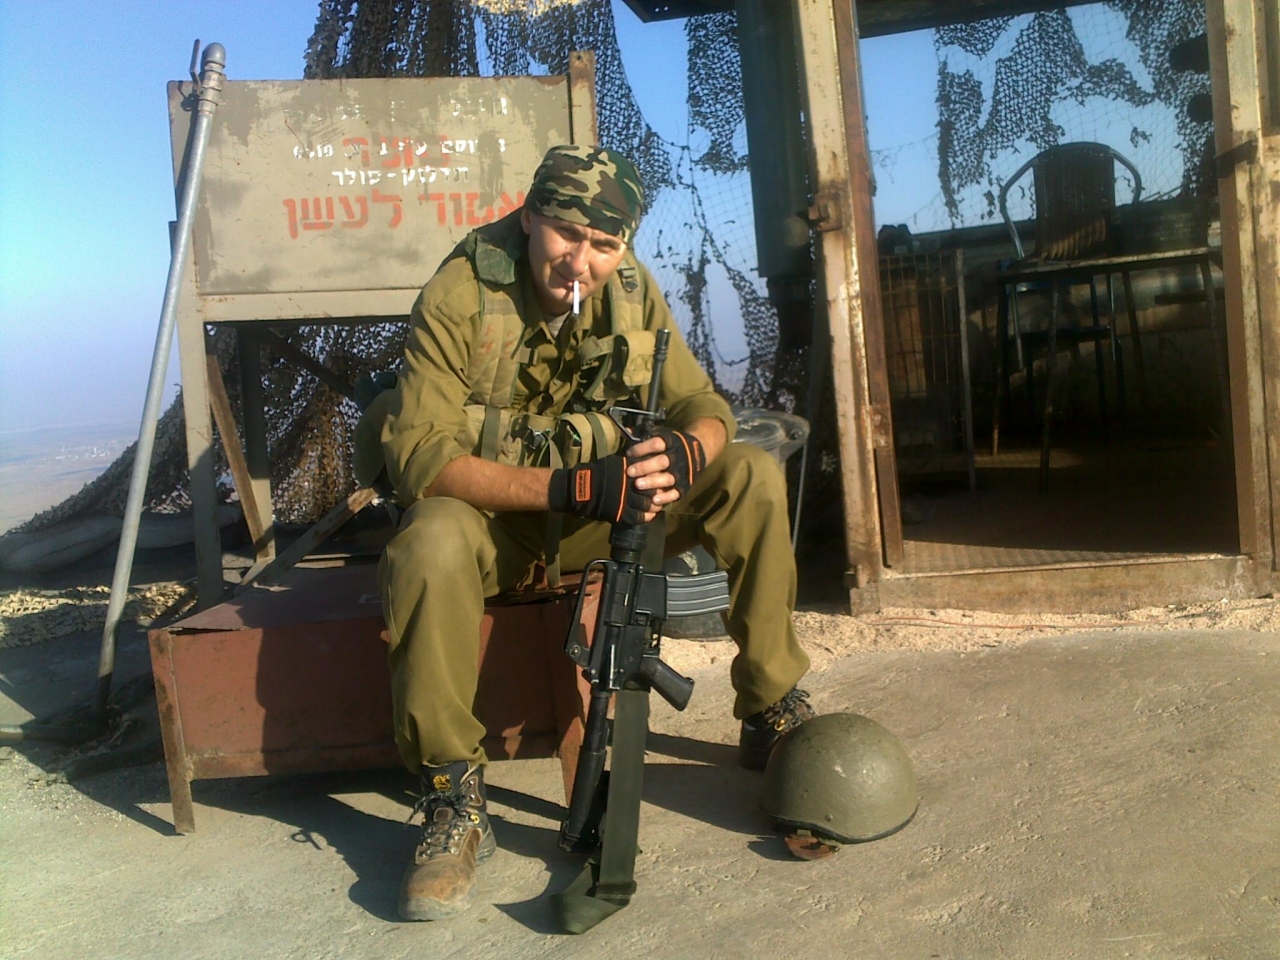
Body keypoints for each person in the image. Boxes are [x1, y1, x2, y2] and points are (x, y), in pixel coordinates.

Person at [367, 144, 813, 921]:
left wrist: (689, 448)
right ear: (530, 218)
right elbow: (419, 460)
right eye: (567, 234)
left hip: (602, 524)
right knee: (427, 541)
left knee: (749, 473)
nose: (581, 262)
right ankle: (453, 794)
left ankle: (770, 706)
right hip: (496, 529)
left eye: (603, 244)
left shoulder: (628, 288)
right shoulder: (461, 290)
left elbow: (705, 408)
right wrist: (570, 486)